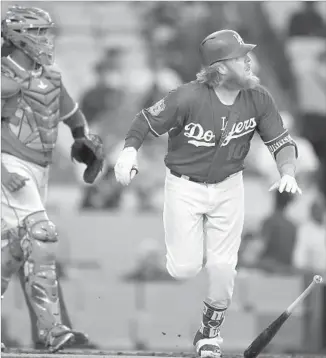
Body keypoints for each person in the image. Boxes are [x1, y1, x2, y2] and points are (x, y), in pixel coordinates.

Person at [114, 29, 301, 357]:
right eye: (241, 57)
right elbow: (145, 120)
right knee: (184, 268)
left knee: (223, 267)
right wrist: (129, 151)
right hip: (184, 186)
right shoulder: (187, 96)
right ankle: (187, 256)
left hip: (230, 185)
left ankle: (209, 334)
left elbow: (282, 142)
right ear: (221, 67)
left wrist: (287, 171)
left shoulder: (259, 97)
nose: (249, 61)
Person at [1, 5, 103, 352]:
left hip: (39, 168)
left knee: (15, 248)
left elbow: (73, 116)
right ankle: (53, 331)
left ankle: (52, 331)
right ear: (18, 36)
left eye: (48, 32)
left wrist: (82, 140)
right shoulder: (2, 75)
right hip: (9, 165)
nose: (47, 40)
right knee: (41, 236)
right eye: (40, 32)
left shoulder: (50, 76)